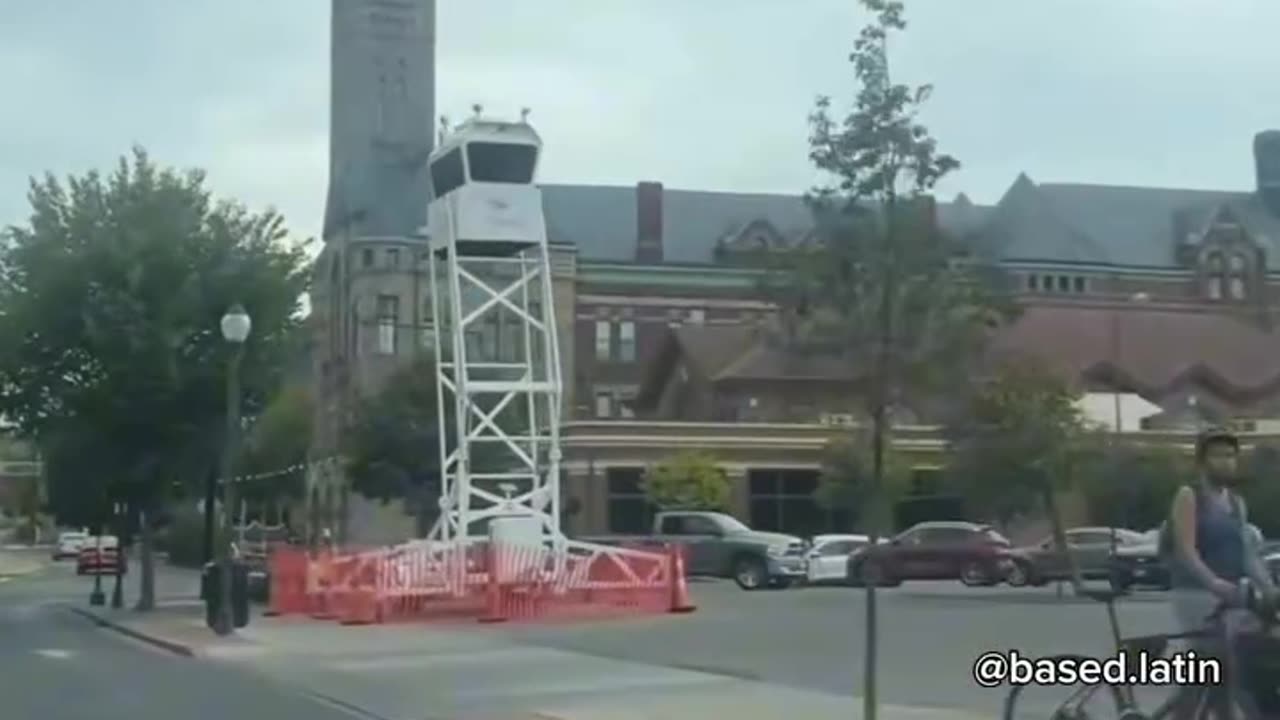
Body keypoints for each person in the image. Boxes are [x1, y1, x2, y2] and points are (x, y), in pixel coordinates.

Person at [1167, 427, 1275, 714]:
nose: (1226, 462)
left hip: (1231, 595)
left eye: (1231, 455)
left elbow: (1247, 555)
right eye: (1218, 455)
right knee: (1212, 664)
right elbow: (1186, 550)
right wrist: (1214, 583)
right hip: (1193, 592)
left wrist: (1269, 588)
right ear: (1201, 461)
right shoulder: (1189, 495)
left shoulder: (1237, 503)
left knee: (1233, 672)